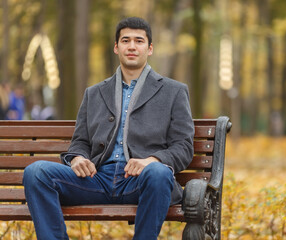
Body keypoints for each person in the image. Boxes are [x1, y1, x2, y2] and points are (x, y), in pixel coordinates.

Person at [23, 17, 194, 240]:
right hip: (96, 179)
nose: (132, 46)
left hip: (141, 180)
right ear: (116, 47)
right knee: (36, 172)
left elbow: (183, 146)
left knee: (159, 172)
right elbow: (80, 142)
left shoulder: (174, 91)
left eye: (139, 41)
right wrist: (77, 158)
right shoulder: (94, 93)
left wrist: (151, 160)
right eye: (126, 40)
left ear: (149, 48)